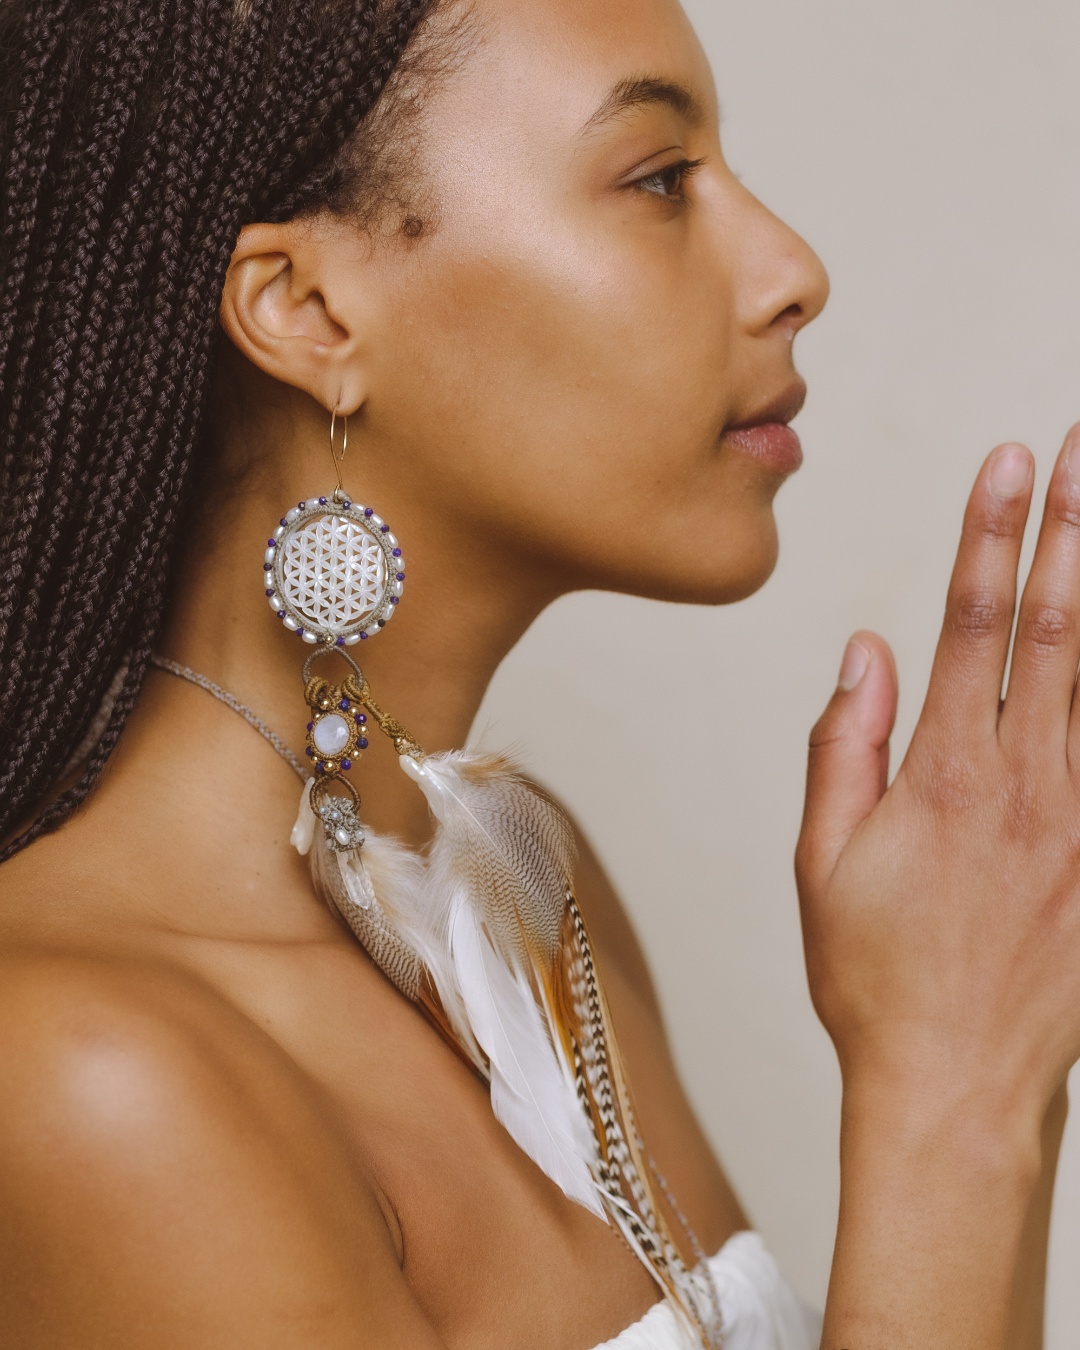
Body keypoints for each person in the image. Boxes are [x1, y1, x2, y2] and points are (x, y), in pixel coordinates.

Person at [0, 0, 1076, 1345]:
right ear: (307, 309)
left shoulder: (525, 893)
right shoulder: (89, 1080)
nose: (793, 269)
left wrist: (1002, 1050)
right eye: (659, 180)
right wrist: (954, 1093)